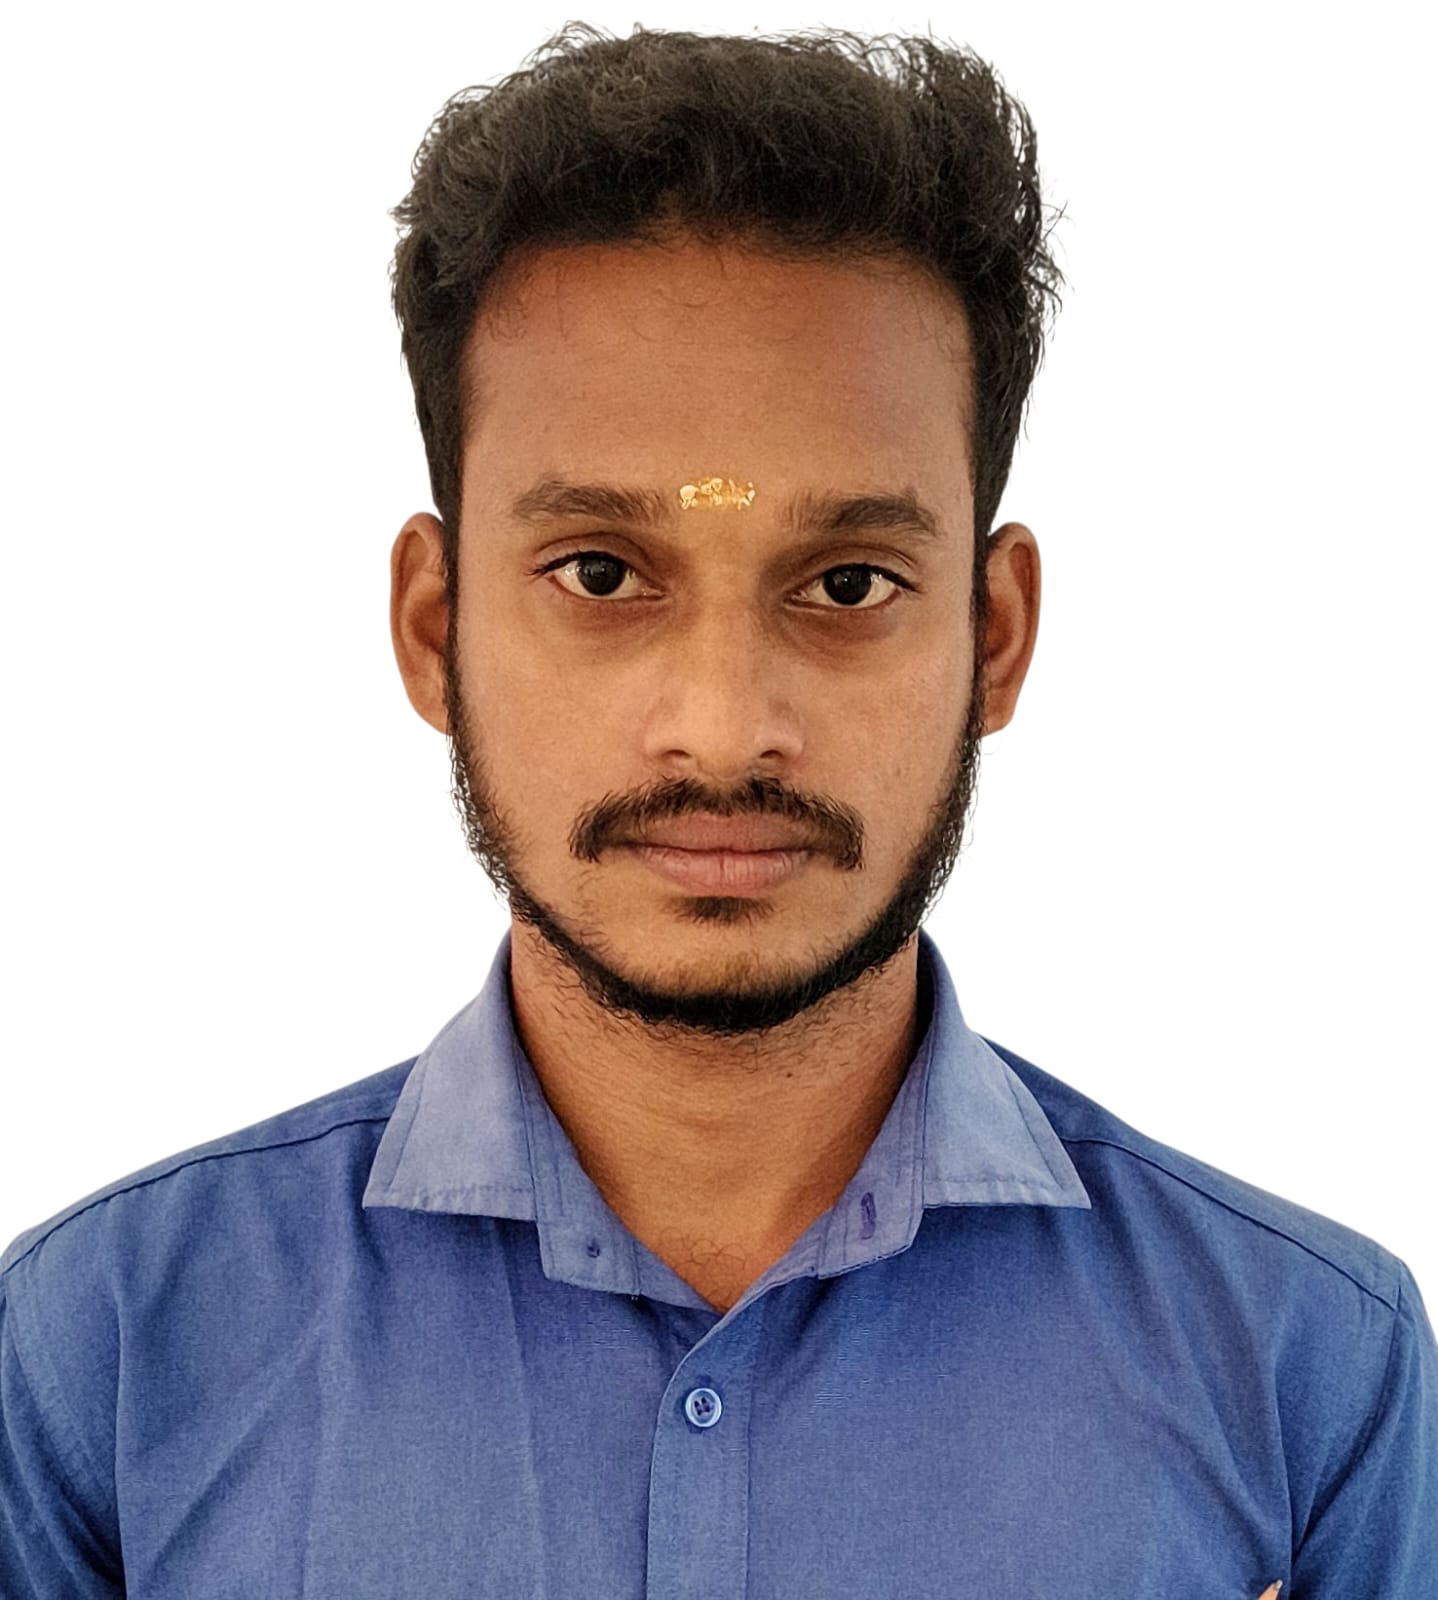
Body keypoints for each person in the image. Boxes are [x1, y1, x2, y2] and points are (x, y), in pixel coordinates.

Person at [1, 21, 1433, 1597]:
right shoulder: (100, 1353)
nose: (725, 725)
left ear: (994, 636)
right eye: (600, 572)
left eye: (848, 583)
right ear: (432, 626)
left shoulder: (1308, 1371)